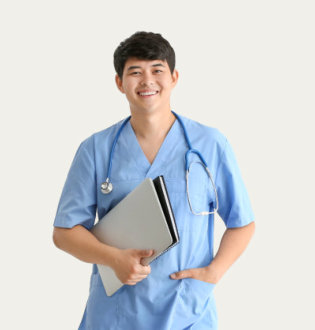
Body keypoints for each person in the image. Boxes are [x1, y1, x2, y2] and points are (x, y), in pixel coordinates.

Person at [53, 31, 255, 330]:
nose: (147, 81)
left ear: (174, 77)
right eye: (135, 72)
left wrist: (214, 272)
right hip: (115, 314)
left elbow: (242, 223)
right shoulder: (95, 149)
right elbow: (65, 232)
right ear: (120, 83)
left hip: (187, 310)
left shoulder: (210, 144)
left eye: (157, 70)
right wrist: (113, 258)